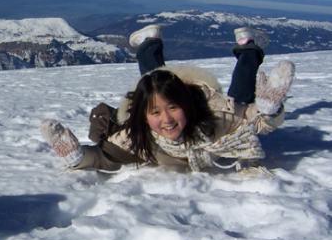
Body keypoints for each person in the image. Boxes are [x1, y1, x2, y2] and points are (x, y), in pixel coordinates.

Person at [41, 25, 296, 173]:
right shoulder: (137, 134)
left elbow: (256, 122)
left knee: (240, 97)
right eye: (155, 113)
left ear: (185, 105)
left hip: (205, 100)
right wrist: (76, 157)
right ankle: (150, 43)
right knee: (154, 86)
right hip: (161, 97)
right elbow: (105, 155)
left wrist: (268, 108)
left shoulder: (216, 116)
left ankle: (248, 47)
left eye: (174, 108)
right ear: (142, 117)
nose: (167, 120)